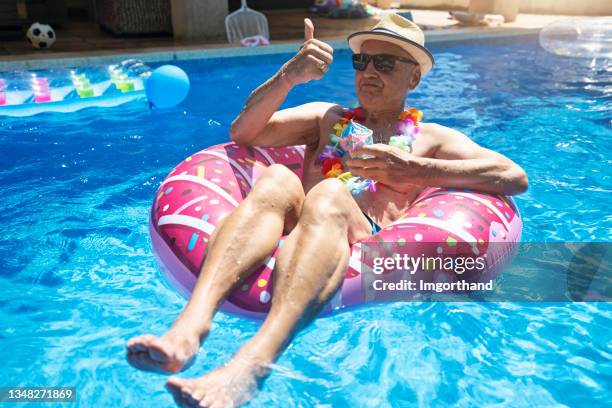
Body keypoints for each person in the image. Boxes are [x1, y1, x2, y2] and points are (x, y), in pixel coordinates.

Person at [126, 13, 528, 407]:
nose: (369, 71)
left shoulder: (430, 139)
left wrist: (414, 168)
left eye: (384, 63)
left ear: (414, 78)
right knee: (277, 179)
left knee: (330, 195)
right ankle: (189, 327)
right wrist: (290, 76)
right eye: (362, 60)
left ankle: (253, 364)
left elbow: (513, 176)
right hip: (294, 228)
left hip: (358, 243)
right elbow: (244, 133)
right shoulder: (328, 118)